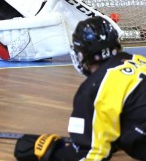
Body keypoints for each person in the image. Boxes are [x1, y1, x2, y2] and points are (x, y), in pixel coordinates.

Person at [14, 16, 146, 160]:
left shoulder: (93, 88)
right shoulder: (140, 60)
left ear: (81, 54)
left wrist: (50, 154)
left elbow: (91, 155)